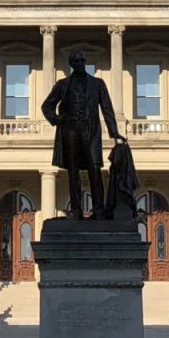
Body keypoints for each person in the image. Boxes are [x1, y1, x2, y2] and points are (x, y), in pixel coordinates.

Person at [40, 49, 122, 218]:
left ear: (85, 62)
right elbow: (46, 106)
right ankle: (76, 209)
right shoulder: (62, 85)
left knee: (94, 168)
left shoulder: (98, 84)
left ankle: (99, 209)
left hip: (90, 130)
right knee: (73, 171)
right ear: (71, 64)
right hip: (70, 131)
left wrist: (114, 132)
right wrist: (56, 119)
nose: (79, 64)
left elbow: (107, 109)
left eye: (81, 61)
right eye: (75, 62)